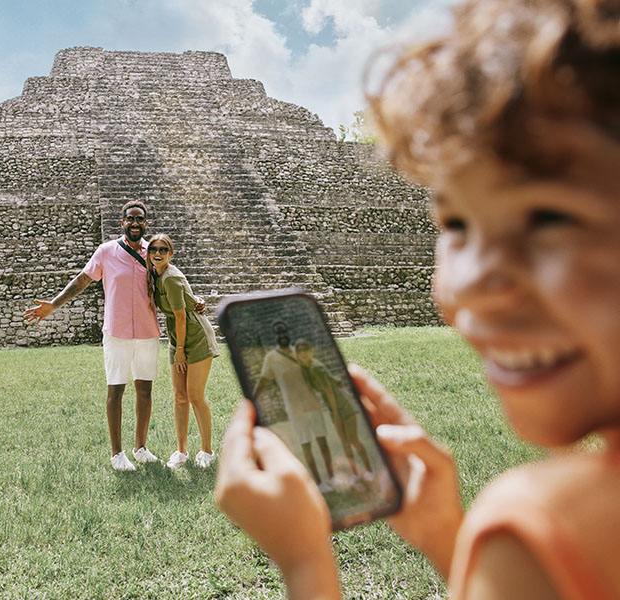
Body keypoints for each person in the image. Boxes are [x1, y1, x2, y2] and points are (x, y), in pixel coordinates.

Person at [215, 0, 620, 598]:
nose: (473, 281)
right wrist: (442, 534)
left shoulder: (539, 529)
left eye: (549, 216)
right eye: (454, 223)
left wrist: (305, 564)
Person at [23, 200, 161, 471]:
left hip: (146, 331)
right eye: (130, 219)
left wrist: (195, 301)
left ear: (146, 223)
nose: (135, 223)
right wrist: (53, 304)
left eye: (139, 219)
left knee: (145, 390)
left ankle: (141, 447)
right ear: (123, 223)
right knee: (116, 389)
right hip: (117, 331)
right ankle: (117, 453)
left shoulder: (154, 252)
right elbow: (83, 280)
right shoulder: (106, 252)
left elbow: (171, 280)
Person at [146, 233, 219, 468]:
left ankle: (207, 451)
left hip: (195, 336)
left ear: (171, 253)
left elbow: (180, 315)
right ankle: (181, 451)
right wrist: (176, 346)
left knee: (195, 396)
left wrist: (180, 350)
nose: (157, 253)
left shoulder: (170, 278)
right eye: (153, 249)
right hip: (177, 334)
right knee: (179, 397)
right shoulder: (153, 275)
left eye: (163, 250)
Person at [252, 322, 338, 492]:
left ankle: (333, 478)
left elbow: (316, 369)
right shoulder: (271, 358)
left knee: (322, 442)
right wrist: (251, 400)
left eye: (284, 331)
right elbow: (263, 381)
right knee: (306, 444)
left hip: (312, 403)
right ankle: (319, 483)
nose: (282, 335)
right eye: (278, 333)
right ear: (275, 336)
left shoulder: (299, 351)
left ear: (288, 333)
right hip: (294, 407)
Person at [294, 339, 373, 479]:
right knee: (345, 443)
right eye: (299, 351)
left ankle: (368, 471)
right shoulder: (307, 368)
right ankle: (355, 475)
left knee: (353, 440)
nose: (303, 353)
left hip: (343, 406)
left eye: (306, 349)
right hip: (334, 408)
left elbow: (329, 392)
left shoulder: (315, 368)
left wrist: (336, 414)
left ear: (311, 351)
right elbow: (333, 380)